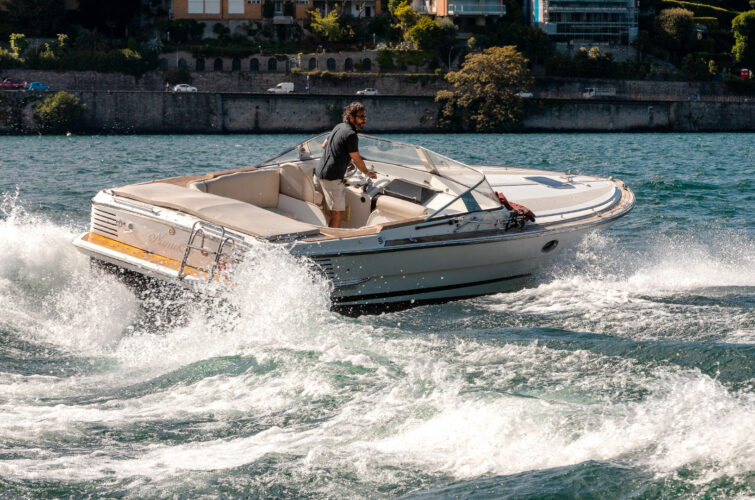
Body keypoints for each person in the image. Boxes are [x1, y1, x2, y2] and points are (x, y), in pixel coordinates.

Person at [315, 102, 376, 228]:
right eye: (361, 117)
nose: (364, 120)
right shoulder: (351, 135)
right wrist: (367, 172)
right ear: (351, 117)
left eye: (365, 117)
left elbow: (325, 145)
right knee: (337, 213)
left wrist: (346, 161)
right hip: (332, 178)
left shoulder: (339, 126)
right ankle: (330, 242)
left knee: (327, 211)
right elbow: (357, 159)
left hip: (319, 172)